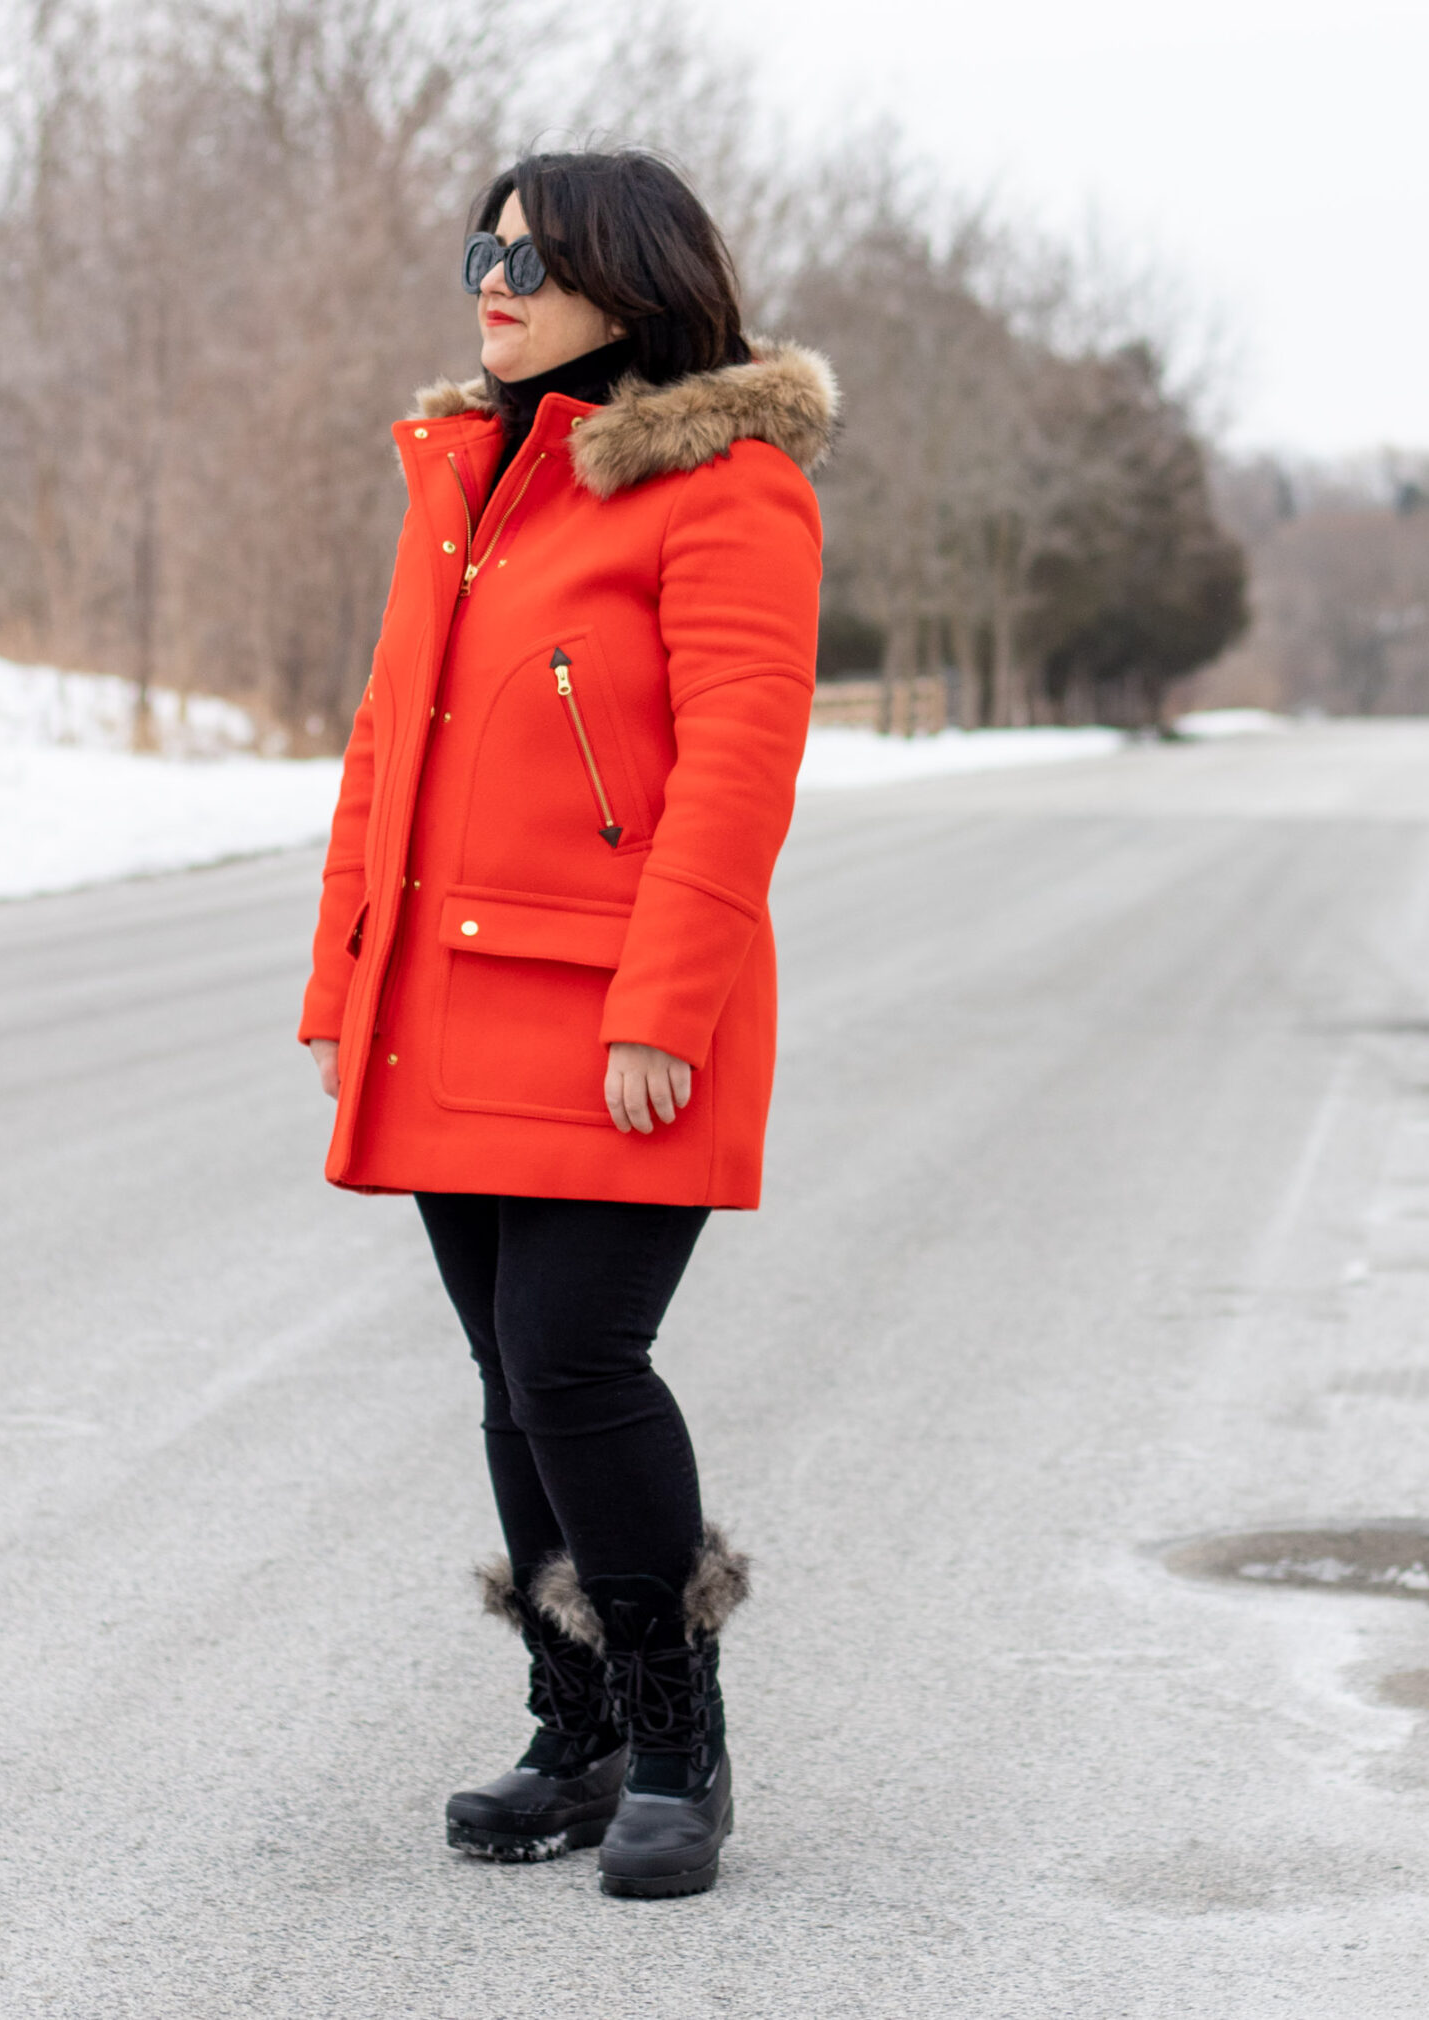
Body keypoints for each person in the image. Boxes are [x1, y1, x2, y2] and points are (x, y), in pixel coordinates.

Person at [298, 147, 835, 1900]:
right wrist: (341, 977)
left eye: (532, 256)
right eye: (484, 248)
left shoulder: (726, 485)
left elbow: (738, 772)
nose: (492, 279)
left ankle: (679, 1735)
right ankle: (580, 1722)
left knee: (575, 1361)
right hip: (446, 1006)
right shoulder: (470, 478)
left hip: (623, 1018)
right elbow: (386, 750)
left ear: (635, 278)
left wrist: (662, 1003)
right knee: (508, 1381)